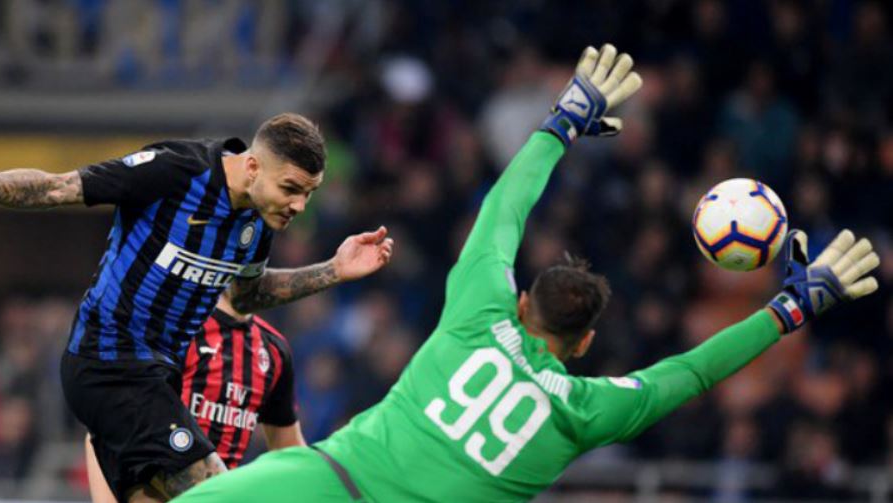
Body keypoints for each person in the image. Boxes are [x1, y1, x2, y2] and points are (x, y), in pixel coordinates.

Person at [173, 45, 880, 502]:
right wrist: (792, 307)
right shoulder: (584, 411)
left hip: (315, 482)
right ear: (584, 344)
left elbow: (503, 212)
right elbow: (690, 372)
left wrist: (563, 123)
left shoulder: (478, 313)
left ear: (519, 302)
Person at [0, 113, 395, 502]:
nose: (299, 206)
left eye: (309, 193)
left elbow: (247, 296)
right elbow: (57, 187)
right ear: (252, 166)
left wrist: (334, 270)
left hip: (158, 380)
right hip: (108, 362)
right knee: (218, 493)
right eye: (291, 188)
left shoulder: (257, 223)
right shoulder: (176, 171)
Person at [86, 294, 303, 503]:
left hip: (224, 495)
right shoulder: (174, 331)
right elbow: (106, 428)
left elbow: (288, 451)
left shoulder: (274, 349)